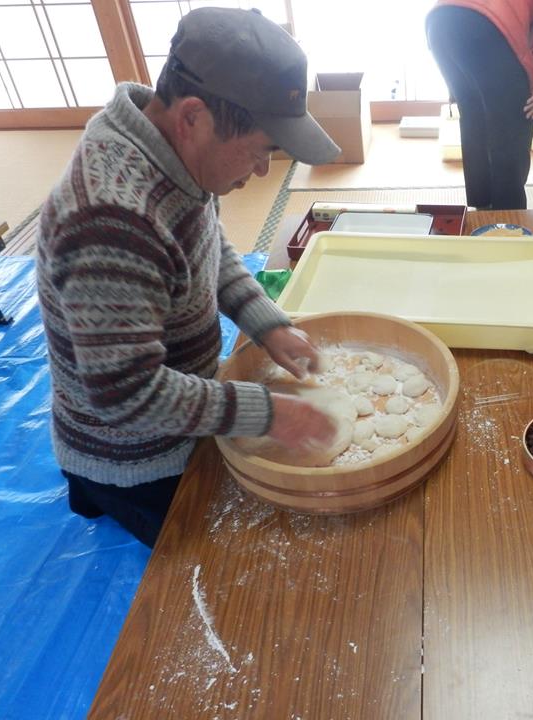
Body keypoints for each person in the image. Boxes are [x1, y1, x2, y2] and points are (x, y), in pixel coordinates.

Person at [36, 8, 342, 547]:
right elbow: (127, 396)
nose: (263, 172)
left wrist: (266, 322)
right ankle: (99, 491)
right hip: (134, 449)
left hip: (183, 393)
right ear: (194, 116)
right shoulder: (112, 220)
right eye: (260, 150)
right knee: (231, 553)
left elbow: (204, 244)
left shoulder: (177, 157)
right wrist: (268, 415)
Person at [426, 0, 533, 209]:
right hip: (488, 26)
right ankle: (508, 222)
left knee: (475, 119)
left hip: (441, 22)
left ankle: (482, 211)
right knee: (512, 130)